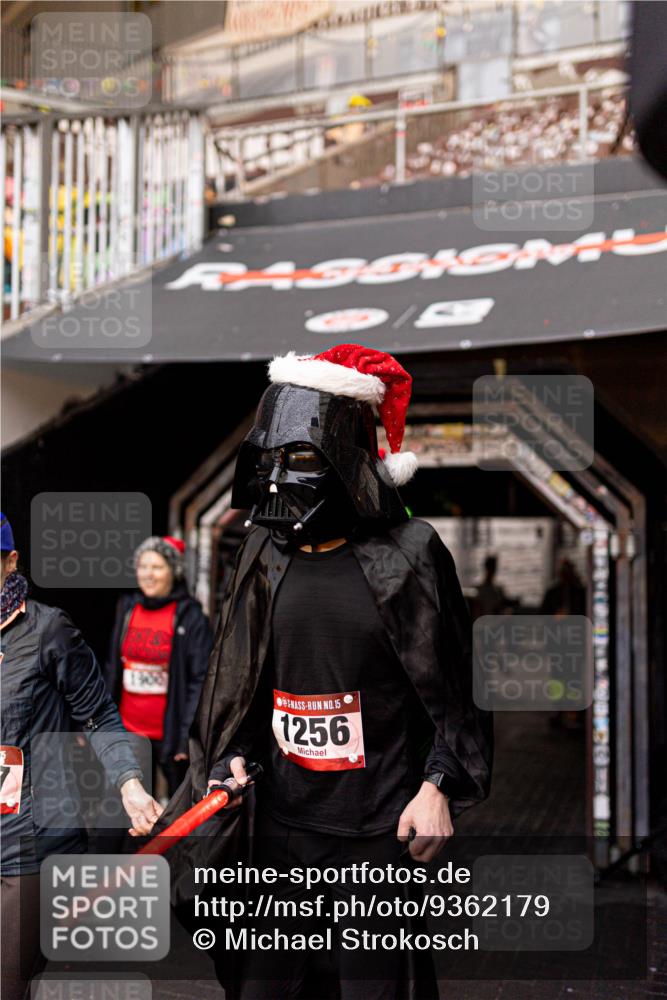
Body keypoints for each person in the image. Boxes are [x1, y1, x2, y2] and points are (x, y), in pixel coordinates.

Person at [157, 345, 493, 1000]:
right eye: (269, 460)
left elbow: (453, 690)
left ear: (345, 457)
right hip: (282, 826)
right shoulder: (262, 553)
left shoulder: (410, 554)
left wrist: (437, 787)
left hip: (376, 830)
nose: (279, 479)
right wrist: (230, 755)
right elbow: (244, 679)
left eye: (301, 457)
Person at [0, 512, 163, 1000]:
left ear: (11, 562)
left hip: (24, 846)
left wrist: (129, 784)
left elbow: (99, 717)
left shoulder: (48, 631)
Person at [105, 535, 212, 799]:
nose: (148, 574)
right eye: (143, 566)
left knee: (178, 813)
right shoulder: (127, 607)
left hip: (169, 736)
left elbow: (200, 680)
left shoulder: (190, 615)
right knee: (119, 811)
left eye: (157, 567)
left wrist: (187, 737)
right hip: (128, 732)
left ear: (173, 571)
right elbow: (112, 668)